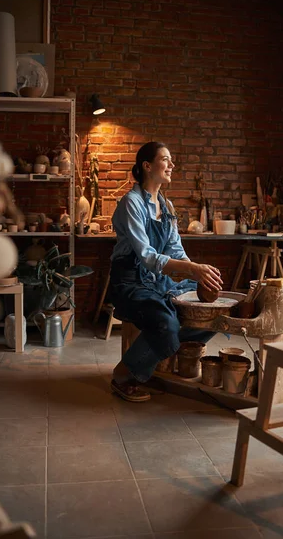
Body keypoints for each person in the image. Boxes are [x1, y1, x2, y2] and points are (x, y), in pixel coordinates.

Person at [109, 141, 223, 402]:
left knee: (209, 311)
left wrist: (200, 275)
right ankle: (123, 374)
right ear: (147, 166)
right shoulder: (131, 203)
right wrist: (192, 269)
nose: (172, 165)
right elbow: (147, 257)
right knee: (166, 322)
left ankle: (156, 357)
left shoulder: (167, 207)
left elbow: (176, 251)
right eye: (166, 159)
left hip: (157, 282)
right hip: (130, 283)